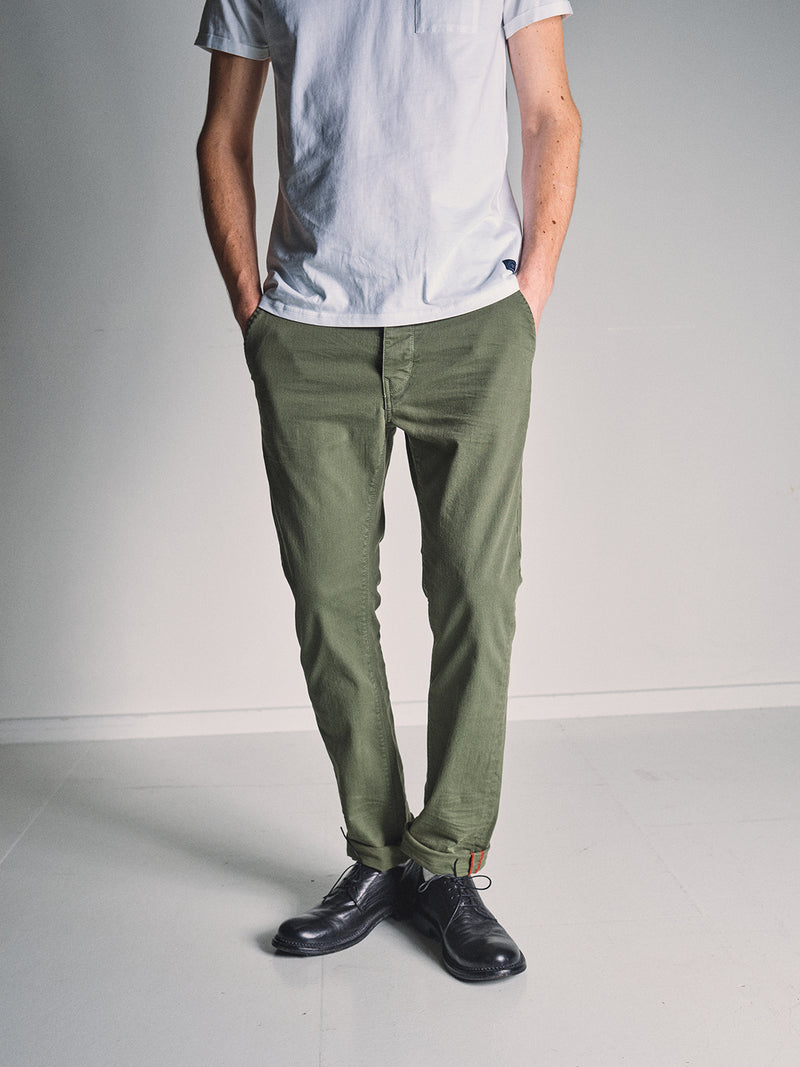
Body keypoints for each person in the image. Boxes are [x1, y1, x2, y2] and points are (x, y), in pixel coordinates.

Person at [195, 0, 581, 982]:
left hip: (471, 326)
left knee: (476, 592)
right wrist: (255, 310)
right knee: (328, 597)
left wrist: (525, 299)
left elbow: (549, 114)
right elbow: (222, 135)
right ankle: (377, 850)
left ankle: (444, 859)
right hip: (311, 332)